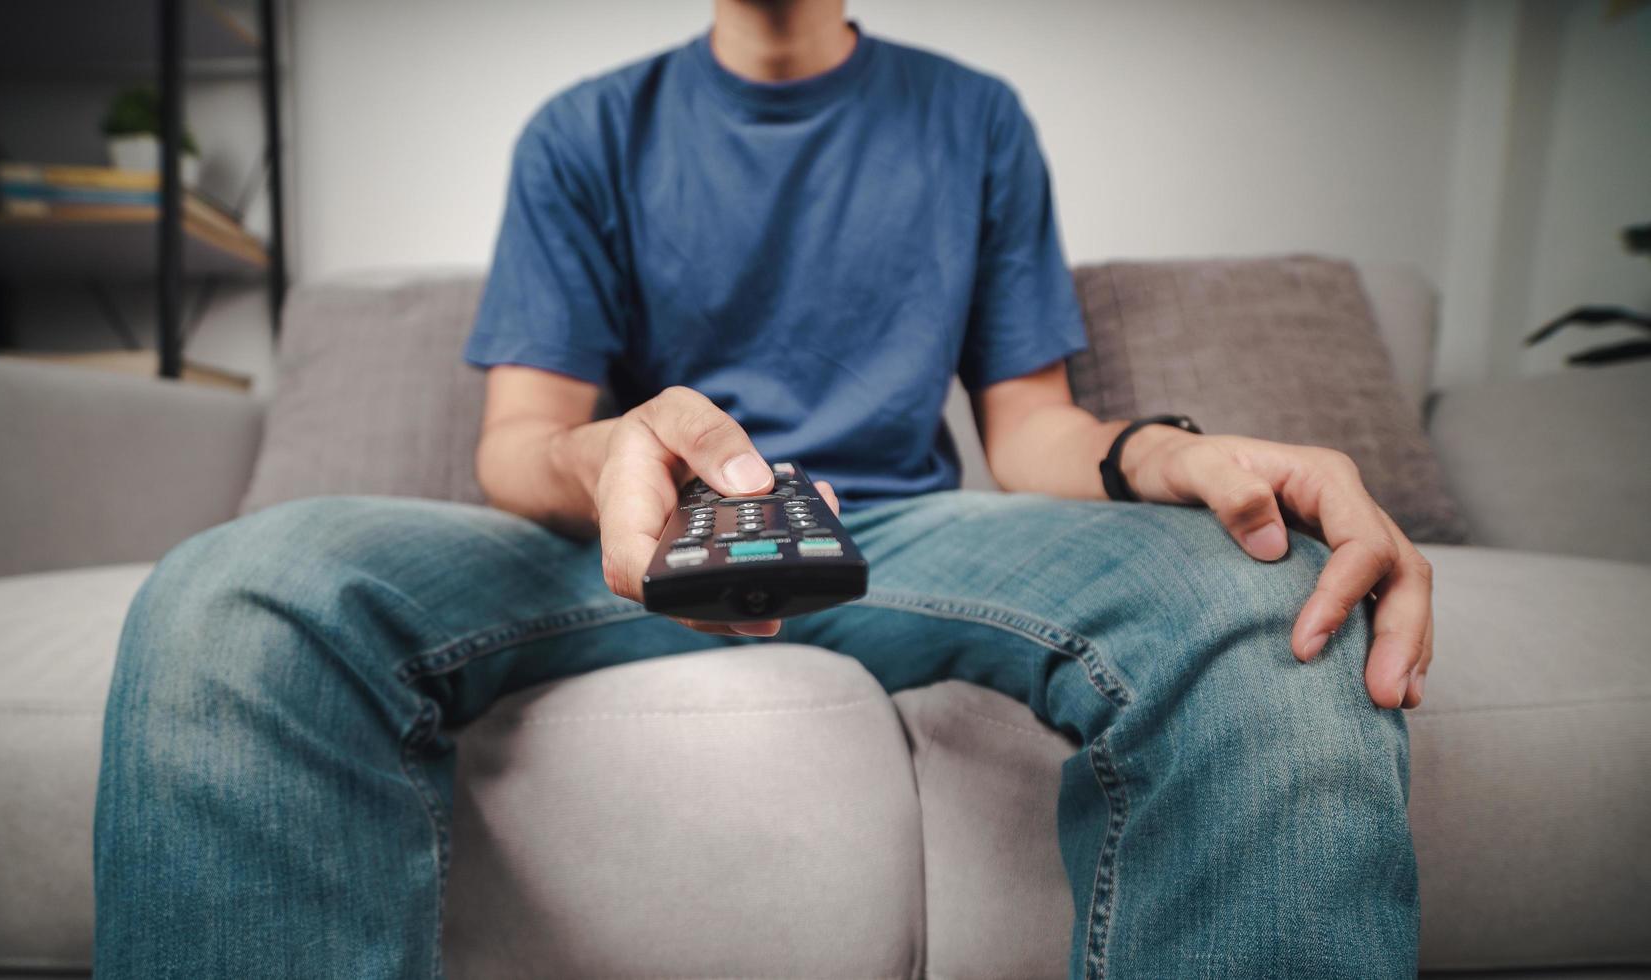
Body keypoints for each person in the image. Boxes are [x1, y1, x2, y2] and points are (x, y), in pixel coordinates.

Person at [94, 0, 1432, 976]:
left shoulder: (972, 117)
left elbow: (1028, 430)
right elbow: (516, 446)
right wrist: (608, 452)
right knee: (237, 586)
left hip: (905, 535)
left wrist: (1173, 459)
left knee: (1260, 583)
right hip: (627, 541)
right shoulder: (583, 130)